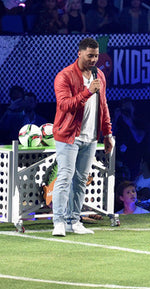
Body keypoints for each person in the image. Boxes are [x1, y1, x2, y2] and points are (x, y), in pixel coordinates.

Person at [51, 37, 113, 236]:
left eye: (96, 56)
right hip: (68, 136)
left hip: (90, 137)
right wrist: (87, 92)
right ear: (79, 53)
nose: (94, 60)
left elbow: (103, 106)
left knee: (80, 180)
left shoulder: (99, 75)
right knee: (65, 177)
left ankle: (73, 221)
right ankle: (59, 221)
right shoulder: (65, 76)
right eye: (90, 56)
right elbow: (65, 105)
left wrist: (108, 133)